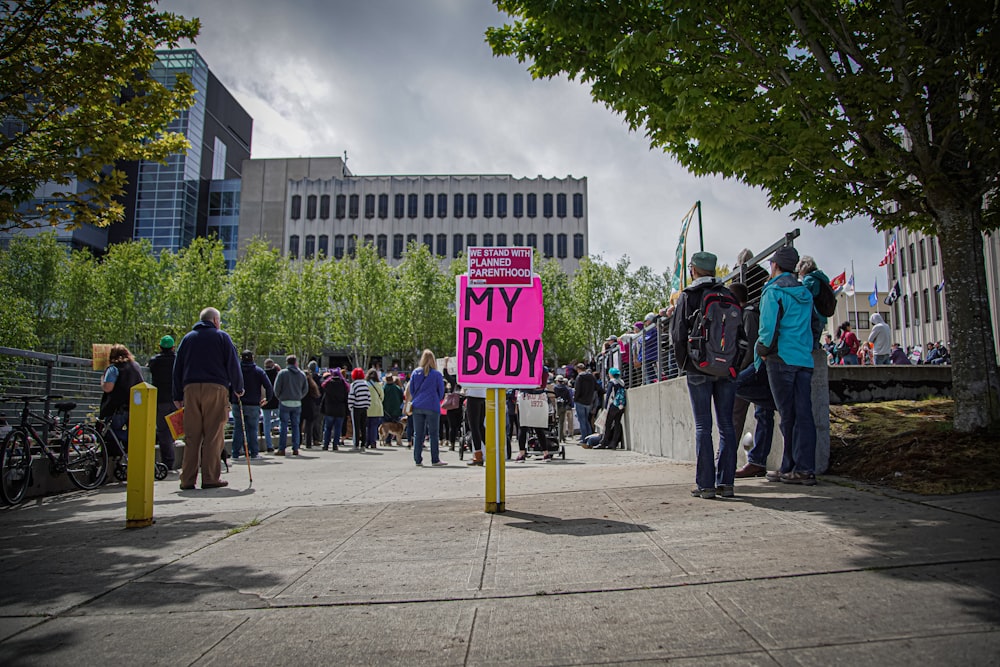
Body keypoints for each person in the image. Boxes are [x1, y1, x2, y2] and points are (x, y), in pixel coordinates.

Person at [670, 251, 739, 499]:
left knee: (703, 425)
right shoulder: (728, 294)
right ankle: (726, 483)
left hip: (698, 367)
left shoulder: (688, 296)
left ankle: (705, 485)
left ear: (693, 270)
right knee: (726, 426)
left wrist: (686, 363)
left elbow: (677, 335)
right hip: (727, 368)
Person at [756, 246, 818, 485]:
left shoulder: (773, 292)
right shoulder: (805, 292)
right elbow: (814, 324)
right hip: (803, 358)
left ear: (775, 265)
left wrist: (762, 351)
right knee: (804, 414)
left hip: (781, 358)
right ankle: (803, 468)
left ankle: (790, 466)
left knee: (787, 415)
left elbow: (768, 329)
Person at [172, 307, 244, 490]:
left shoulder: (187, 338)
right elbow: (232, 362)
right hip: (216, 387)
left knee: (192, 436)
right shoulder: (222, 337)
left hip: (190, 389)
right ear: (215, 321)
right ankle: (210, 477)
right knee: (213, 434)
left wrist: (177, 395)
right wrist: (238, 387)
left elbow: (177, 367)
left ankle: (187, 479)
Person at [729, 283, 777, 479]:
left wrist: (738, 371)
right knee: (761, 414)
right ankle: (754, 461)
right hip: (757, 368)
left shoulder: (748, 314)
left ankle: (751, 461)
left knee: (753, 410)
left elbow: (749, 348)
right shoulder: (747, 313)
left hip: (755, 369)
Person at [100, 343, 145, 452]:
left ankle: (113, 458)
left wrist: (102, 379)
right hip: (135, 406)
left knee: (110, 433)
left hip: (117, 408)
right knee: (132, 433)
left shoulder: (113, 369)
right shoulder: (136, 366)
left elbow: (108, 388)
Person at [230, 351, 273, 460]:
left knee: (238, 428)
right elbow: (268, 386)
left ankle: (235, 453)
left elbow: (229, 385)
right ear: (252, 358)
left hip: (237, 402)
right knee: (252, 429)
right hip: (253, 404)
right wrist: (267, 399)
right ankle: (253, 452)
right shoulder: (258, 371)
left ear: (241, 358)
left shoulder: (236, 371)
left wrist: (230, 399)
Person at [409, 349, 446, 466]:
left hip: (417, 405)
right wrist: (436, 399)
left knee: (418, 434)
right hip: (432, 406)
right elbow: (441, 392)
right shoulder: (437, 374)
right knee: (434, 434)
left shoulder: (415, 372)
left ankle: (417, 459)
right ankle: (435, 459)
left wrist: (418, 398)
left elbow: (412, 390)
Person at [147, 335, 178, 471]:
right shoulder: (177, 360)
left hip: (160, 400)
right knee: (177, 428)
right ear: (173, 347)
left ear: (160, 347)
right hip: (176, 399)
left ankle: (168, 462)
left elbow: (149, 368)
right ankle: (173, 452)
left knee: (163, 430)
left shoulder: (155, 361)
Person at [272, 355, 308, 455]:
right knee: (296, 426)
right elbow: (305, 389)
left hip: (284, 402)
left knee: (283, 425)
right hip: (297, 402)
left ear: (287, 362)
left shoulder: (282, 373)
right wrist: (299, 396)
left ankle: (282, 448)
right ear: (296, 362)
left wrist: (280, 397)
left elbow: (276, 388)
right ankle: (295, 448)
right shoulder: (301, 374)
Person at [796, 255, 830, 347]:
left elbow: (803, 296)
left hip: (813, 316)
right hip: (822, 316)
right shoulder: (821, 278)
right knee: (815, 341)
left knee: (810, 344)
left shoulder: (810, 279)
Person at [593, 367, 626, 449]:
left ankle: (603, 443)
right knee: (617, 423)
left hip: (613, 406)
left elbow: (608, 396)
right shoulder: (622, 382)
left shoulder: (612, 382)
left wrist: (605, 408)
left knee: (607, 424)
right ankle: (613, 443)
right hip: (621, 406)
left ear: (611, 374)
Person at [320, 368, 349, 450]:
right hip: (340, 410)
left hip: (329, 409)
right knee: (338, 428)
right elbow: (346, 399)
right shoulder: (343, 384)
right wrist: (347, 411)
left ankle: (326, 444)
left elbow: (324, 398)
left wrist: (322, 409)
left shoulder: (328, 384)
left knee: (327, 428)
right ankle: (335, 444)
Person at [347, 368, 371, 450]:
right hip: (364, 408)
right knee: (363, 426)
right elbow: (368, 396)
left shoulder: (353, 385)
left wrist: (350, 407)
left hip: (356, 408)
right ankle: (363, 444)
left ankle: (356, 444)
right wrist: (367, 405)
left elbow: (351, 397)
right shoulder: (365, 384)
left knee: (356, 427)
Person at [573, 363, 597, 443]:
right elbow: (596, 387)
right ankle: (589, 439)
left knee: (582, 421)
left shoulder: (579, 377)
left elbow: (577, 389)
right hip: (588, 402)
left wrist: (575, 399)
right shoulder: (591, 377)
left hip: (580, 401)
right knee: (586, 420)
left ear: (578, 369)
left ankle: (584, 439)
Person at [464, 386, 487, 466]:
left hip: (473, 395)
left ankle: (478, 455)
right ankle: (491, 451)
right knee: (480, 426)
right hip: (483, 396)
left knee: (474, 427)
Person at [300, 367, 322, 449]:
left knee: (299, 424)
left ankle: (298, 442)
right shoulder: (313, 385)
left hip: (301, 405)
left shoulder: (301, 385)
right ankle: (308, 443)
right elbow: (317, 396)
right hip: (310, 406)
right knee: (309, 425)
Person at [261, 359, 280, 452]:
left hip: (265, 402)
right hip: (276, 401)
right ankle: (273, 424)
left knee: (266, 423)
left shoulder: (262, 374)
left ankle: (269, 446)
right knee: (282, 419)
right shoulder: (277, 374)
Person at [381, 374, 405, 444]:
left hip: (386, 410)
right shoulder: (397, 388)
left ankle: (388, 441)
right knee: (396, 426)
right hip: (396, 410)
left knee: (387, 426)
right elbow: (401, 399)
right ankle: (398, 440)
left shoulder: (384, 388)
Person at [365, 368, 385, 448]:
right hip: (376, 408)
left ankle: (366, 442)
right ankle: (373, 442)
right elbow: (382, 397)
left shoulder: (365, 384)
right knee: (374, 426)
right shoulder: (379, 385)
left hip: (366, 407)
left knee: (366, 426)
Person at [553, 375, 574, 442]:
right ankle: (561, 437)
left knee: (556, 422)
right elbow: (569, 398)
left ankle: (558, 437)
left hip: (556, 406)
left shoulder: (555, 388)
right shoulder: (566, 388)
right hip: (563, 405)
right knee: (561, 422)